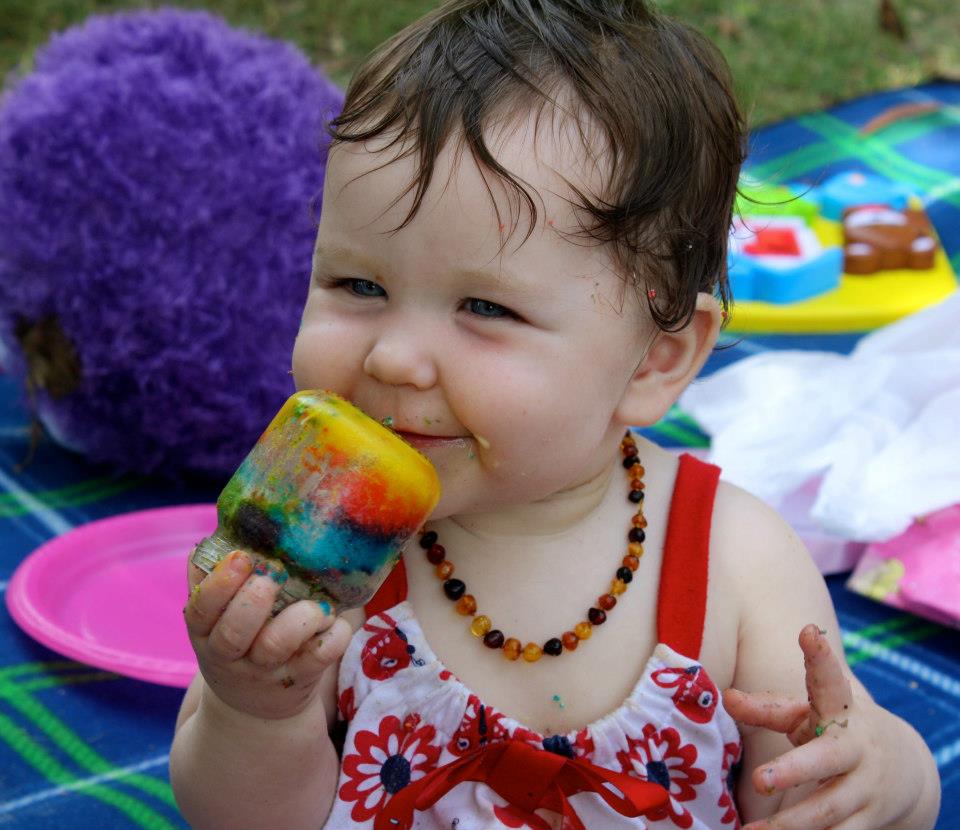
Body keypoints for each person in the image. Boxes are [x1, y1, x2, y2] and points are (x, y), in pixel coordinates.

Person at [169, 2, 941, 828]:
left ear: (655, 361)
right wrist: (255, 711)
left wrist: (883, 777)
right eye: (358, 286)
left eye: (484, 307)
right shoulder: (324, 562)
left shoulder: (736, 561)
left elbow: (818, 775)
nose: (392, 358)